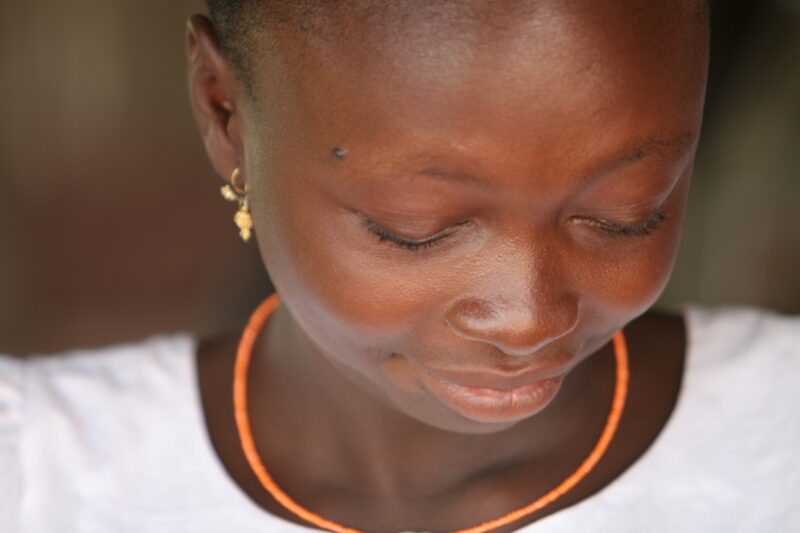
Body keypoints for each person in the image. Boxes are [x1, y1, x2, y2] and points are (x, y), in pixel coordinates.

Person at [1, 1, 798, 532]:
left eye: (628, 213)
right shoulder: (37, 475)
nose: (529, 318)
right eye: (415, 230)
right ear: (225, 111)